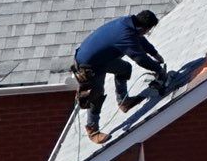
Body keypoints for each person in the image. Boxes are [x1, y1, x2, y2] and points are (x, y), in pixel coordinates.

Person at [72, 10, 169, 143]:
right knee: (96, 94)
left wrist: (155, 54)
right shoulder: (125, 34)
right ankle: (93, 130)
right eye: (147, 30)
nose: (146, 33)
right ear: (143, 28)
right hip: (88, 65)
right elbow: (140, 58)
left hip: (102, 59)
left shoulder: (128, 23)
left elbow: (140, 40)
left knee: (124, 69)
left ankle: (123, 101)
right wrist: (159, 70)